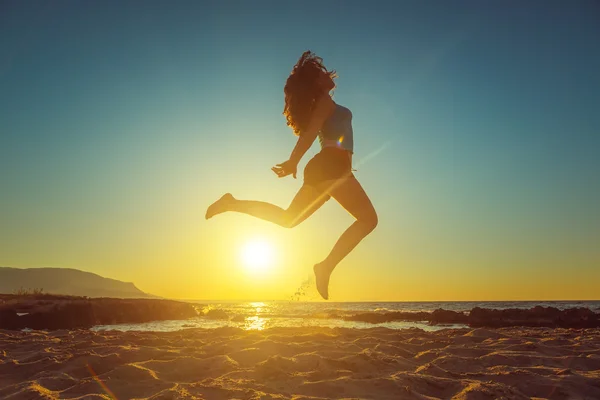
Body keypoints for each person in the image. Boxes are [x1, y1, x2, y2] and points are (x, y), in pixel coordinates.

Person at [206, 50, 378, 300]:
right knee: (368, 220)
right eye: (320, 73)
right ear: (315, 82)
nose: (326, 73)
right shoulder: (324, 103)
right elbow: (310, 133)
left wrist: (296, 161)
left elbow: (314, 131)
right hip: (331, 166)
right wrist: (293, 160)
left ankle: (231, 203)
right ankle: (325, 266)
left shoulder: (325, 103)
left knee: (288, 219)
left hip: (328, 168)